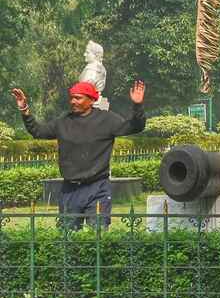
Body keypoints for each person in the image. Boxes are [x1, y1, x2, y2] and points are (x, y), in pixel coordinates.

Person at [11, 80, 146, 230]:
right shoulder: (64, 121)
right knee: (68, 240)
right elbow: (38, 131)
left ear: (91, 100)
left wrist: (137, 105)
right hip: (70, 189)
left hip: (98, 188)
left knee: (98, 238)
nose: (73, 101)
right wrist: (24, 109)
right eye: (72, 97)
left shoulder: (107, 120)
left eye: (78, 98)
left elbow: (135, 127)